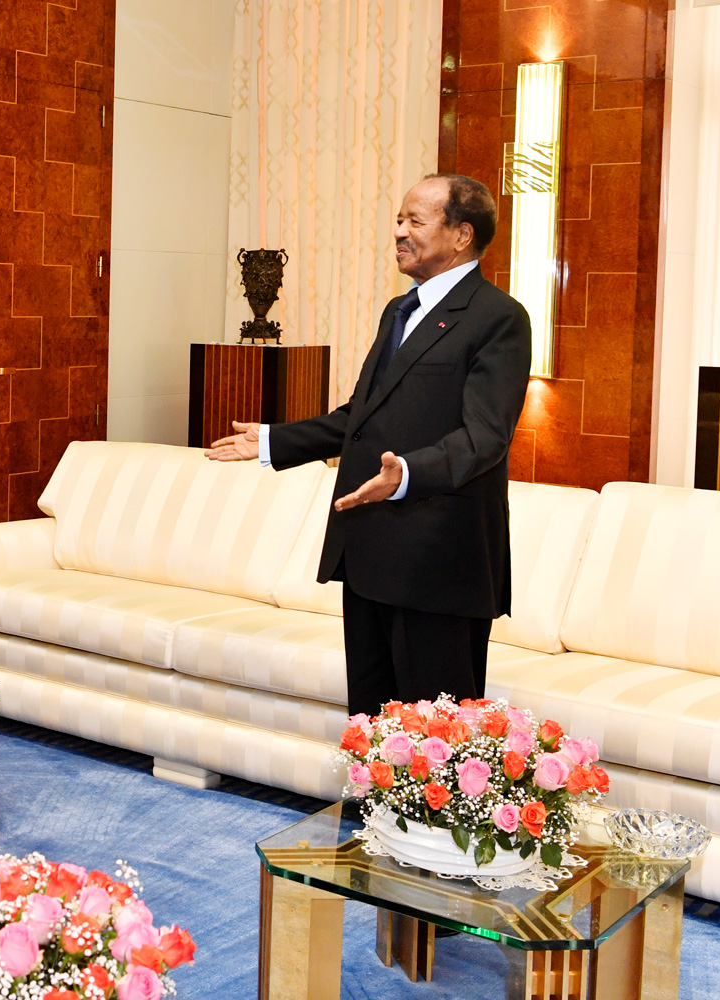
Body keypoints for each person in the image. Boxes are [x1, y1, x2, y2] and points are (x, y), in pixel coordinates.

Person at [206, 173, 531, 719]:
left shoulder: (499, 319)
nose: (399, 232)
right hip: (370, 552)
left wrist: (405, 473)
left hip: (438, 562)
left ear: (461, 235)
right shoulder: (399, 310)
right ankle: (366, 810)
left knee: (435, 739)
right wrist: (273, 441)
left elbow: (485, 438)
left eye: (414, 221)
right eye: (398, 220)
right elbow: (360, 416)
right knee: (372, 727)